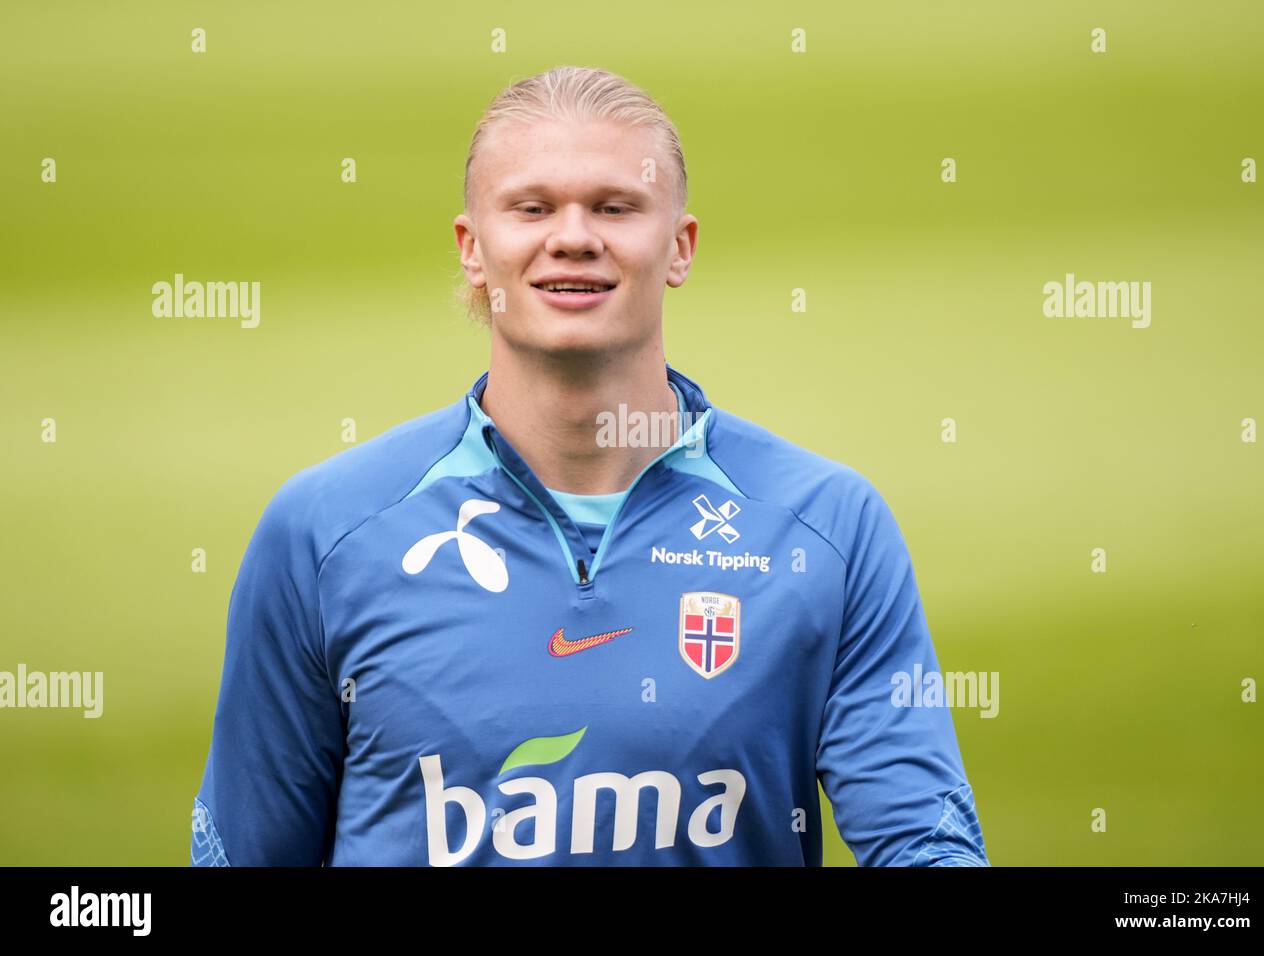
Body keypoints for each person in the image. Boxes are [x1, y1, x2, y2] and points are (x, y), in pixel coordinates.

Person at [190, 65, 990, 867]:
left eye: (615, 207)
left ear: (679, 248)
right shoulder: (325, 532)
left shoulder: (829, 526)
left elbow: (925, 845)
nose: (572, 236)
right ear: (473, 249)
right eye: (532, 208)